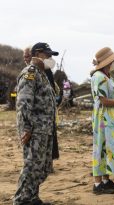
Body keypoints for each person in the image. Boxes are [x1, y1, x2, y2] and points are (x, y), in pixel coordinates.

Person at [13, 43, 58, 205]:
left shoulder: (42, 74)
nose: (50, 59)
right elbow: (23, 103)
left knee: (42, 166)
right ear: (38, 54)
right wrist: (26, 127)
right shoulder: (30, 73)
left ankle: (32, 197)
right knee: (32, 165)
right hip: (34, 129)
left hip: (45, 129)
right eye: (48, 55)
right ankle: (21, 200)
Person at [90, 47, 114, 194]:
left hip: (111, 118)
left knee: (108, 148)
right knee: (100, 148)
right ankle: (97, 184)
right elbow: (103, 100)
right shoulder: (98, 77)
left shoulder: (107, 76)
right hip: (103, 119)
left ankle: (106, 180)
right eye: (113, 60)